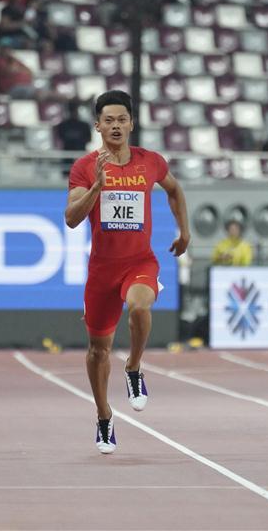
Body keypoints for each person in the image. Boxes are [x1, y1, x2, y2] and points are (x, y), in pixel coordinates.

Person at [65, 90, 190, 454]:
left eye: (122, 119)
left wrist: (185, 231)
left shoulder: (150, 162)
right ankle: (104, 416)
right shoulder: (85, 167)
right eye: (109, 120)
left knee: (139, 307)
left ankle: (134, 367)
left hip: (140, 262)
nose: (116, 126)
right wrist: (97, 189)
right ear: (98, 126)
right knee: (97, 350)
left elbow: (175, 190)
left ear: (132, 123)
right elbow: (71, 218)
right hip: (102, 271)